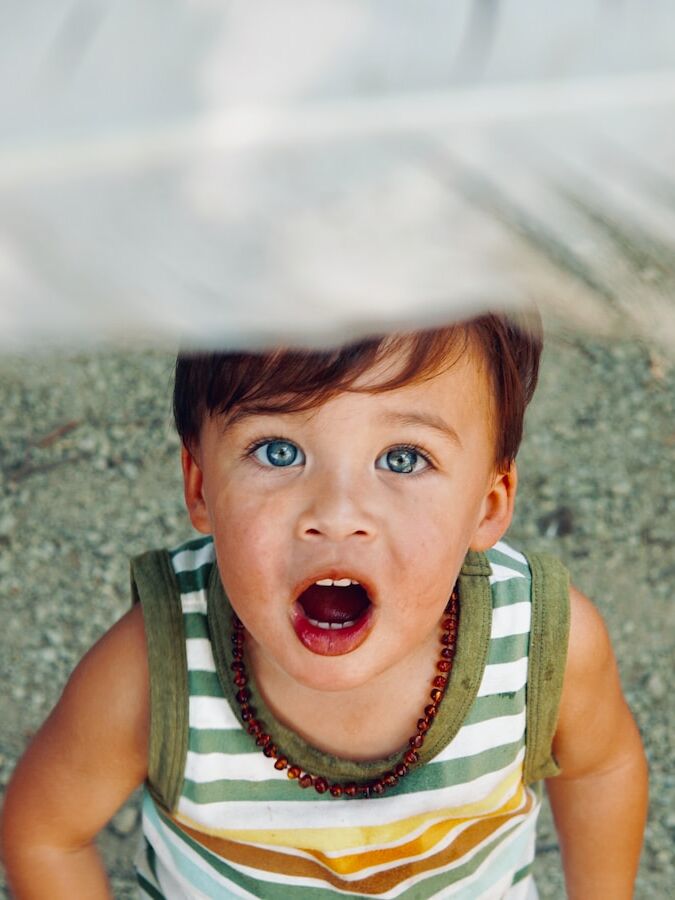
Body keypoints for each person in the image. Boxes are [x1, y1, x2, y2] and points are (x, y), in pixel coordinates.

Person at [1, 314, 648, 898]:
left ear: (488, 504)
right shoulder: (153, 670)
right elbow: (45, 832)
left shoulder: (540, 643)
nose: (337, 515)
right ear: (200, 486)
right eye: (278, 451)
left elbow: (600, 768)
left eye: (402, 458)